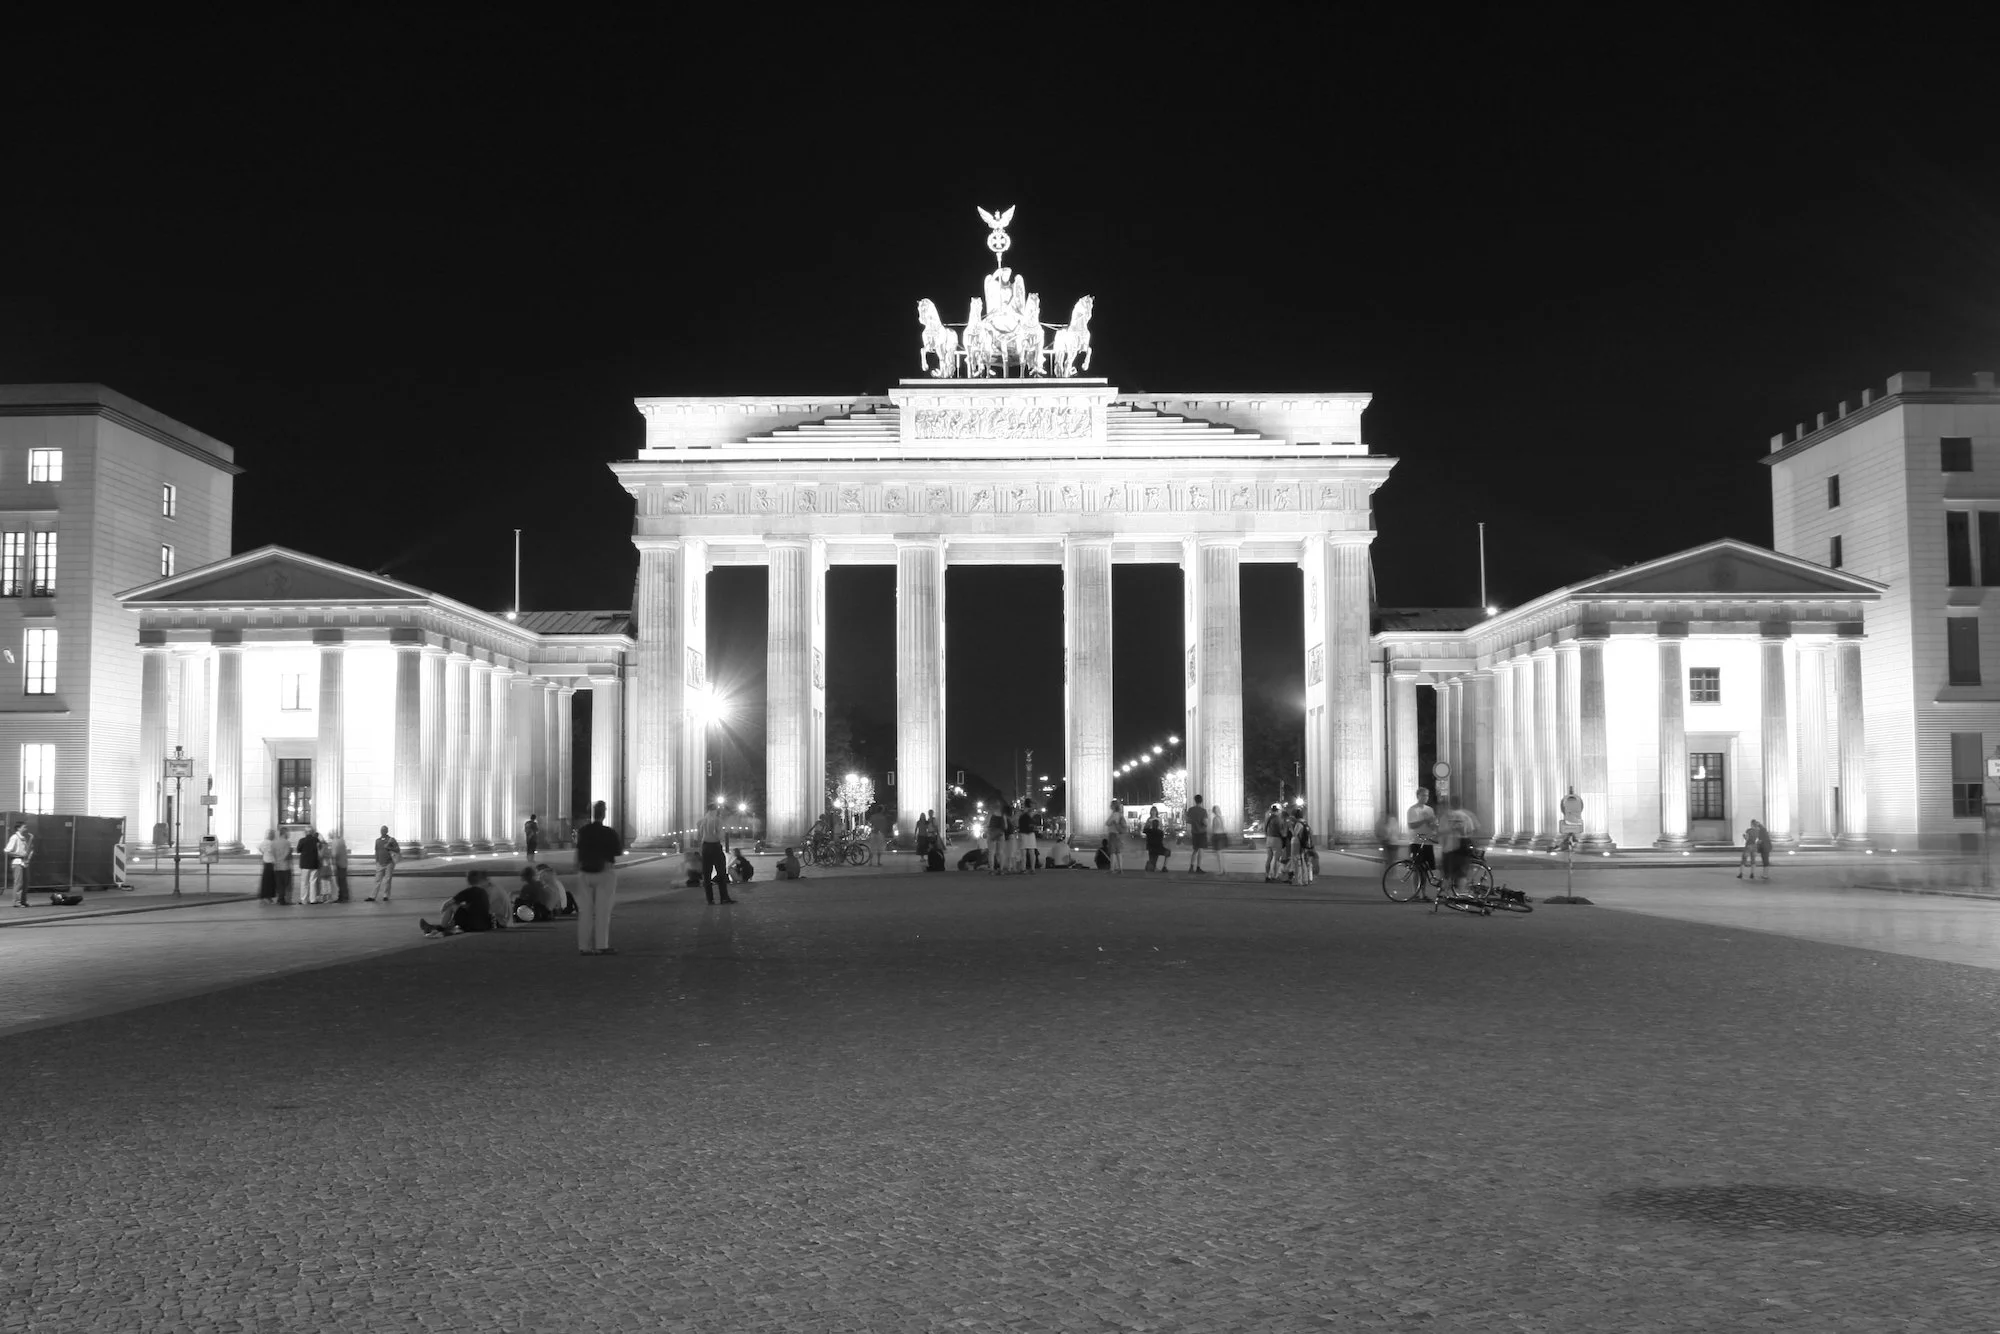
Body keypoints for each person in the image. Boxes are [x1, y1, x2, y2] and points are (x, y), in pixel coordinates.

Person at [572, 799, 625, 955]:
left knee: (585, 912)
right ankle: (601, 944)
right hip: (604, 872)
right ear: (604, 814)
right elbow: (618, 851)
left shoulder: (583, 831)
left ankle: (584, 946)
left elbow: (579, 850)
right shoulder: (609, 832)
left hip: (585, 872)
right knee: (603, 911)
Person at [422, 871, 504, 936]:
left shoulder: (468, 892)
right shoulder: (483, 892)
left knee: (452, 906)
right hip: (483, 924)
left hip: (471, 925)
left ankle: (442, 927)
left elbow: (448, 904)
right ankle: (444, 926)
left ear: (468, 881)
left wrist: (443, 910)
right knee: (461, 908)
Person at [697, 800, 735, 905]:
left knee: (707, 874)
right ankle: (724, 898)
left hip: (705, 847)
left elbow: (699, 836)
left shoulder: (701, 821)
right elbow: (720, 836)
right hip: (715, 846)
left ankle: (710, 899)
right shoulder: (718, 820)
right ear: (714, 810)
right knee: (721, 873)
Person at [1441, 803, 1480, 892]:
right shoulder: (1467, 815)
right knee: (1462, 872)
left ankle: (1447, 894)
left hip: (1452, 846)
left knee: (1448, 872)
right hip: (1465, 843)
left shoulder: (1449, 816)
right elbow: (1473, 829)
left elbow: (1445, 831)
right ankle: (1461, 893)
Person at [1406, 788, 1439, 880]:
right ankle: (1416, 892)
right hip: (1416, 841)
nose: (1425, 797)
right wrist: (1425, 820)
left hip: (1427, 842)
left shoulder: (1430, 810)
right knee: (1417, 869)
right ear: (1418, 796)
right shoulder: (1412, 810)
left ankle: (1423, 893)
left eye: (1427, 795)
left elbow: (1433, 825)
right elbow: (1412, 825)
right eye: (1423, 795)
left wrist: (1433, 824)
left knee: (1425, 869)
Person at [369, 825, 400, 901]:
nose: (382, 831)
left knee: (387, 880)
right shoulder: (377, 841)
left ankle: (386, 896)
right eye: (381, 830)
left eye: (384, 830)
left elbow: (397, 850)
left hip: (389, 863)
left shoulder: (391, 840)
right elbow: (376, 851)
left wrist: (389, 847)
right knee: (377, 880)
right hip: (380, 863)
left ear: (387, 831)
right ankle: (372, 896)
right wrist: (376, 861)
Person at [6, 822, 32, 906]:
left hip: (24, 862)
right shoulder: (14, 837)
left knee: (25, 882)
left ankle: (23, 901)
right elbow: (7, 850)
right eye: (24, 827)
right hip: (17, 862)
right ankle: (17, 902)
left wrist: (28, 856)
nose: (26, 829)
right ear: (18, 828)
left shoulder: (23, 838)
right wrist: (20, 855)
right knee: (19, 883)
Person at [296, 827, 324, 904]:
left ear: (305, 832)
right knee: (313, 882)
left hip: (304, 864)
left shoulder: (302, 840)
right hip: (314, 863)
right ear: (312, 832)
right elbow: (320, 848)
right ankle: (313, 899)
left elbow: (298, 850)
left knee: (304, 882)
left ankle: (304, 899)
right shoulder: (316, 840)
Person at [1290, 811, 1317, 885]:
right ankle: (1305, 880)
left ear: (1296, 816)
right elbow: (1311, 833)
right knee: (1303, 862)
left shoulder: (1298, 824)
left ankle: (1298, 880)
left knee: (1297, 862)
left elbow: (1295, 834)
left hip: (1297, 844)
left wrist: (1291, 828)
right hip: (1304, 845)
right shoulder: (1306, 823)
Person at [1263, 804, 1287, 881]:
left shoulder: (1267, 819)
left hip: (1268, 839)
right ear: (1277, 811)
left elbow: (1264, 829)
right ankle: (1274, 876)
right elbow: (1281, 831)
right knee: (1276, 859)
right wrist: (1284, 836)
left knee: (1269, 858)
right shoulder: (1278, 819)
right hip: (1276, 839)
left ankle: (1267, 875)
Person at [1186, 795, 1210, 874]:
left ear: (1195, 800)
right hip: (1202, 832)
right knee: (1201, 850)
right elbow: (1205, 822)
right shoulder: (1203, 811)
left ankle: (1191, 867)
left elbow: (1188, 821)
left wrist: (1194, 821)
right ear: (1201, 801)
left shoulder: (1191, 810)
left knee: (1195, 850)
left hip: (1194, 832)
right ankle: (1198, 868)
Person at [327, 828, 351, 902]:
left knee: (340, 881)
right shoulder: (341, 840)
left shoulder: (335, 842)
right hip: (344, 863)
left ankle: (343, 897)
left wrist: (330, 858)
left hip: (339, 864)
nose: (329, 836)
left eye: (329, 834)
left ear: (332, 834)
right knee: (343, 880)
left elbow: (334, 854)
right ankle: (344, 896)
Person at [1103, 800, 1125, 874]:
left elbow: (1107, 823)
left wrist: (1110, 822)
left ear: (1113, 806)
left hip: (1112, 834)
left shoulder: (1114, 814)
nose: (1110, 806)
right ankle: (1120, 868)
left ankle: (1112, 869)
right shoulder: (1120, 814)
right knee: (1118, 852)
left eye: (1111, 805)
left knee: (1112, 852)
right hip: (1118, 834)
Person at [1143, 806, 1167, 872]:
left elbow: (1161, 827)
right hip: (1151, 837)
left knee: (1155, 854)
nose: (1153, 812)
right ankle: (1152, 866)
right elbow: (1145, 828)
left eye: (1154, 811)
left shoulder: (1159, 819)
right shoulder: (1149, 819)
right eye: (1152, 811)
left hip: (1157, 837)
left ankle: (1152, 866)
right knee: (1151, 855)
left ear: (1156, 812)